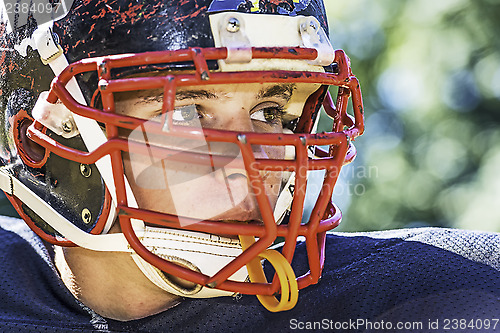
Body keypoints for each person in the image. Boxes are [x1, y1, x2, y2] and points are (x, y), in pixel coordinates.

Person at [0, 0, 498, 332]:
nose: (251, 162)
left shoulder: (441, 295)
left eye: (271, 113)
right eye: (187, 112)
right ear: (44, 141)